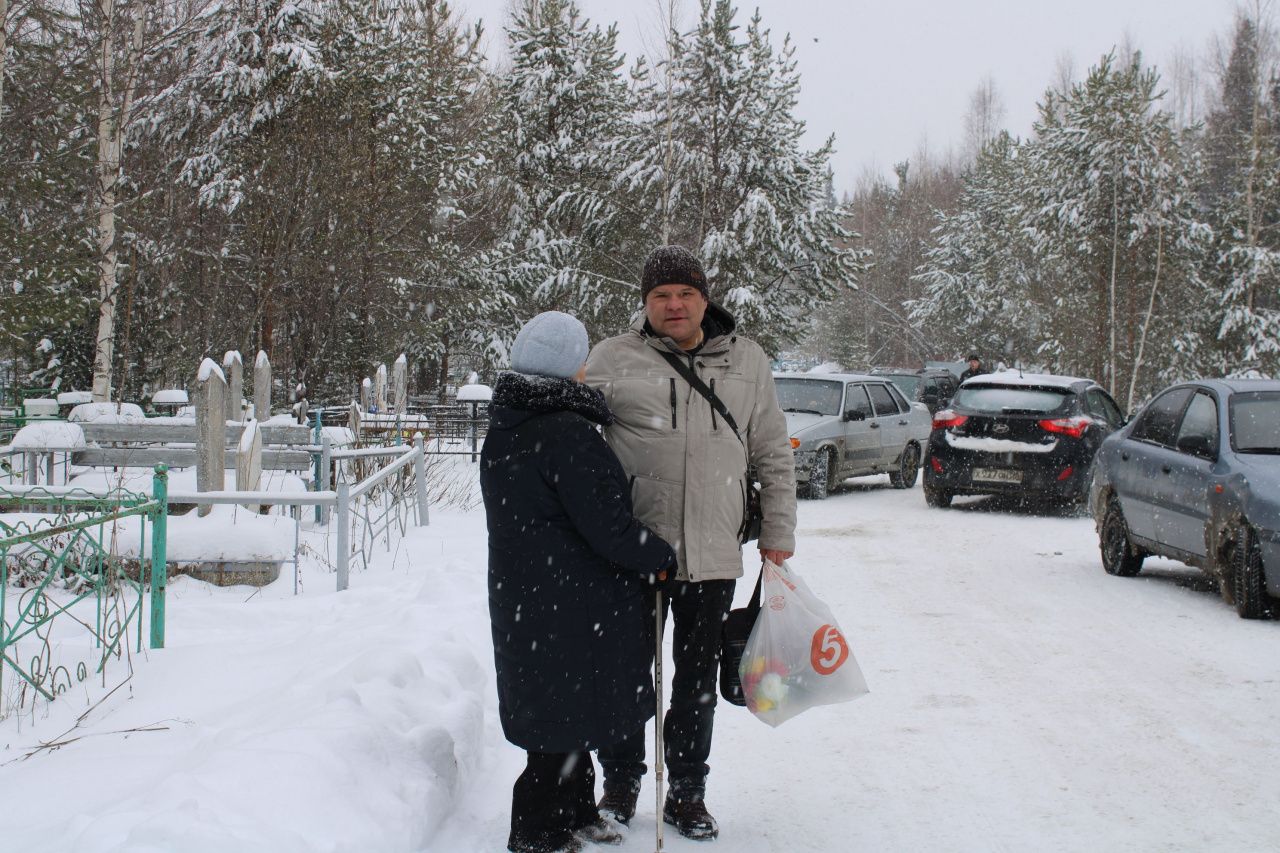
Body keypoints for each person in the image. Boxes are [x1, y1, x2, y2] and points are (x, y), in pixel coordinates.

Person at [585, 245, 798, 841]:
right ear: (645, 303)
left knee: (696, 682)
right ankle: (621, 785)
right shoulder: (611, 358)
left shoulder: (748, 361)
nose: (673, 305)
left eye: (684, 294)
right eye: (660, 296)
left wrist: (778, 534)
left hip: (711, 555)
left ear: (705, 298)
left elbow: (773, 454)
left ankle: (686, 793)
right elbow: (571, 438)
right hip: (631, 553)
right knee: (626, 677)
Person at [481, 311, 678, 853]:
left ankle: (576, 810)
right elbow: (608, 525)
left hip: (538, 597)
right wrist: (659, 555)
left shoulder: (510, 425)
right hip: (568, 601)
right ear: (572, 367)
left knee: (563, 715)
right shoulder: (566, 434)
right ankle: (538, 833)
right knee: (560, 721)